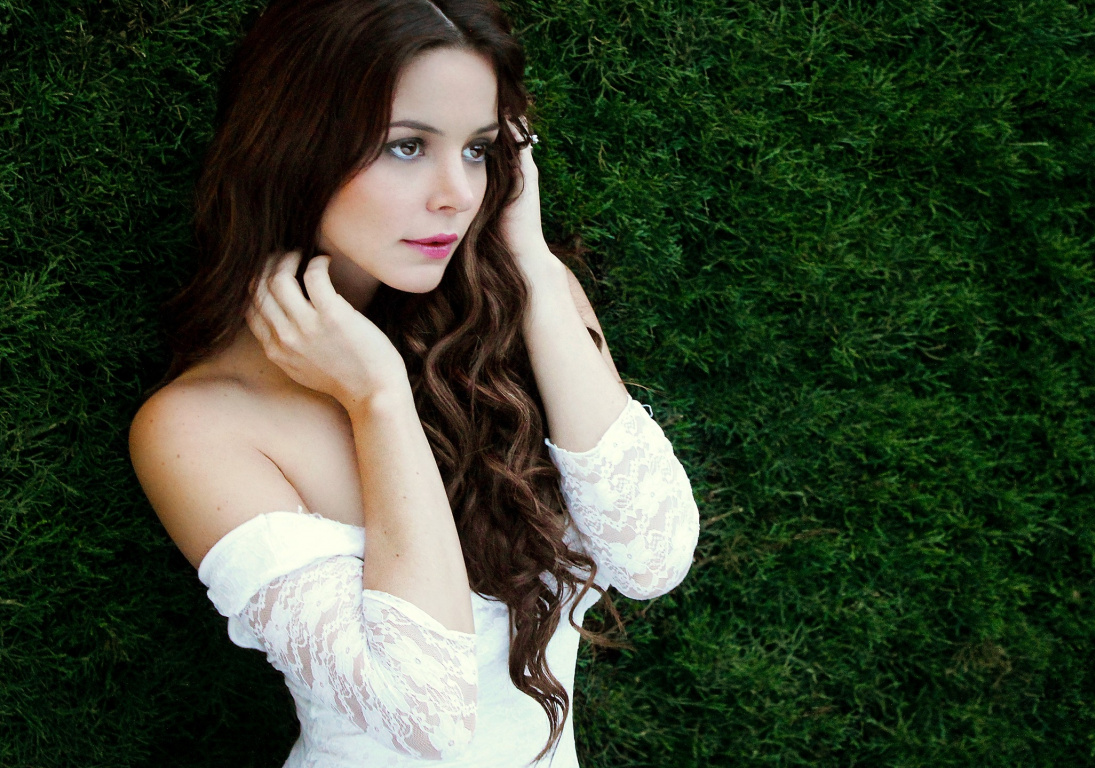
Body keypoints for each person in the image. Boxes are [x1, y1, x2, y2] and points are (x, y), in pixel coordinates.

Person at [127, 0, 700, 765]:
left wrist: (530, 260)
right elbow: (428, 717)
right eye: (406, 146)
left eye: (478, 149)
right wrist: (379, 400)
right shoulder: (200, 427)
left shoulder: (524, 309)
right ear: (292, 146)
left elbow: (651, 558)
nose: (457, 193)